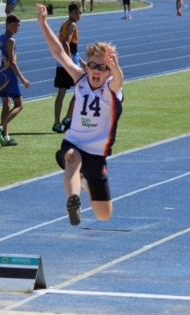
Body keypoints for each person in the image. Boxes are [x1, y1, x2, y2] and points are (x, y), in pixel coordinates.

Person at [37, 3, 124, 226]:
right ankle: (73, 199)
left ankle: (85, 183)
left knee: (104, 215)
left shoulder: (112, 90)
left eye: (102, 68)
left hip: (97, 152)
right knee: (71, 157)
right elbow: (58, 53)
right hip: (75, 141)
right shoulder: (80, 79)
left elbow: (119, 78)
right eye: (92, 66)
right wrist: (43, 24)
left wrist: (114, 67)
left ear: (109, 71)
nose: (96, 71)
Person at [0, 13, 30, 147]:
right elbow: (12, 62)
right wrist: (23, 79)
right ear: (7, 24)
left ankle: (6, 137)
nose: (17, 28)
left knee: (6, 105)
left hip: (0, 76)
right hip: (9, 77)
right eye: (14, 25)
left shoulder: (2, 38)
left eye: (18, 25)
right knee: (19, 105)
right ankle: (1, 127)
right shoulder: (11, 41)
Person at [52, 2, 83, 134]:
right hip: (68, 62)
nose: (78, 15)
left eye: (80, 12)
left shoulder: (65, 24)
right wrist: (70, 62)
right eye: (76, 12)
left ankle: (58, 123)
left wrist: (82, 61)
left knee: (62, 93)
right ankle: (67, 118)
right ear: (70, 13)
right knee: (80, 90)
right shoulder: (72, 25)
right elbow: (66, 43)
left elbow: (72, 47)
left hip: (61, 61)